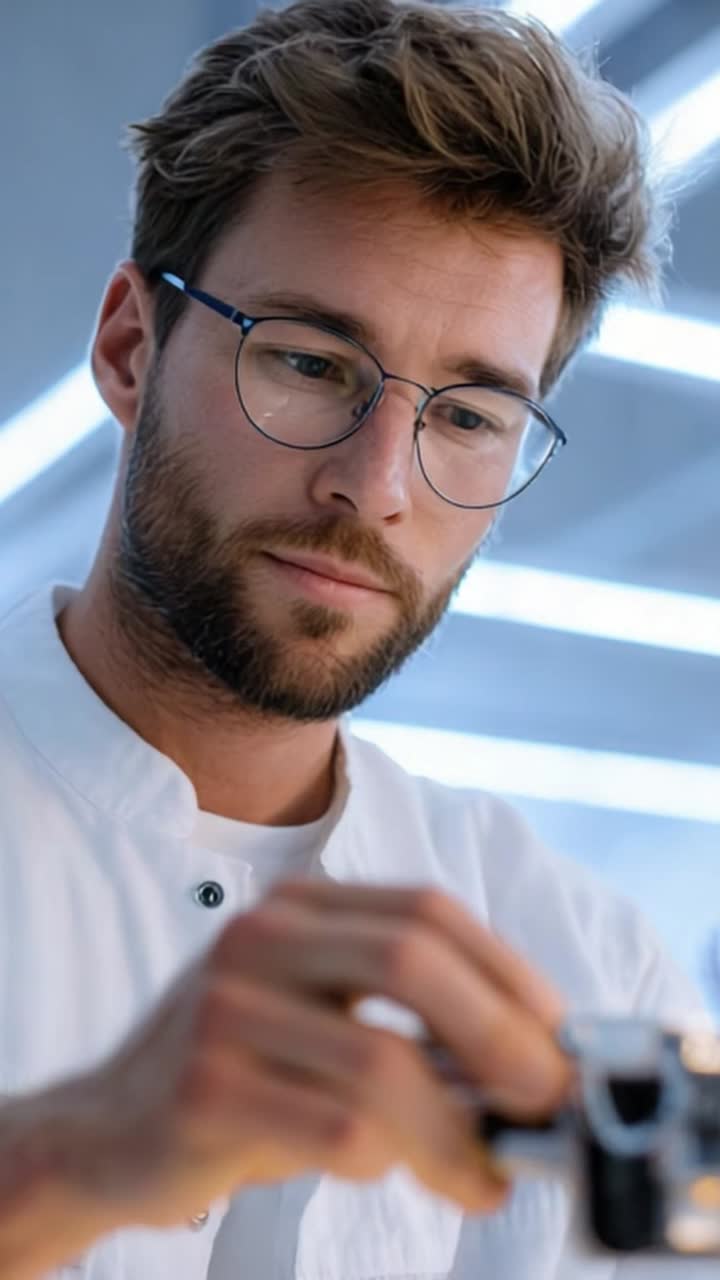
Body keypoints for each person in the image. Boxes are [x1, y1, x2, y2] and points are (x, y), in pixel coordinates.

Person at [0, 1, 709, 1276]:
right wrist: (71, 1160)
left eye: (473, 416)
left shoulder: (586, 963)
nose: (378, 484)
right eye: (313, 362)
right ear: (127, 346)